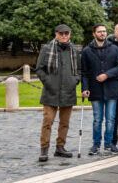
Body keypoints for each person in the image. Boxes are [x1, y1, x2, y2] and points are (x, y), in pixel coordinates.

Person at [37, 24, 82, 162]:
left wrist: (75, 80)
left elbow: (79, 70)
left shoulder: (74, 50)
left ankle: (60, 147)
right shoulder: (47, 49)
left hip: (68, 91)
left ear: (69, 34)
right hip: (51, 91)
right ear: (56, 34)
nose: (64, 35)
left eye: (66, 33)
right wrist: (48, 81)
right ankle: (44, 149)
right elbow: (39, 69)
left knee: (64, 123)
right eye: (61, 33)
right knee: (47, 121)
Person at [81, 23, 118, 155]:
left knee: (111, 119)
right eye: (99, 32)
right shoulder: (87, 51)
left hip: (111, 88)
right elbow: (84, 72)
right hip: (95, 89)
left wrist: (107, 75)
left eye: (104, 31)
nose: (102, 34)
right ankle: (95, 144)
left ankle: (109, 143)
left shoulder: (114, 49)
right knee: (97, 119)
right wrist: (85, 88)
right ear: (94, 34)